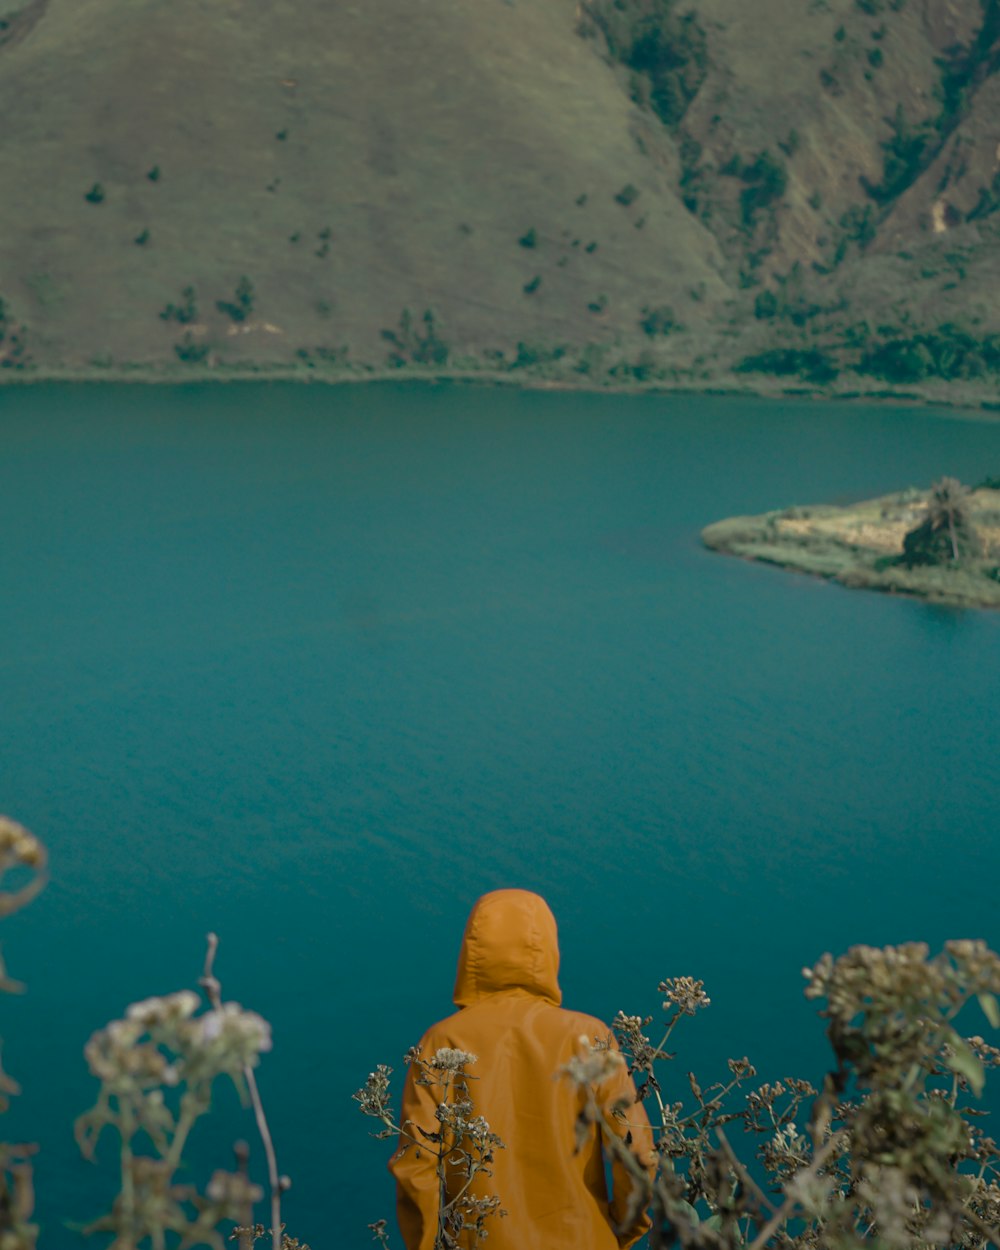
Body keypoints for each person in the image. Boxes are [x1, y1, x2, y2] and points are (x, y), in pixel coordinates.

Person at [390, 888, 654, 1250]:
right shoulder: (589, 1036)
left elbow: (416, 1167)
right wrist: (618, 1233)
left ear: (471, 953)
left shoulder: (442, 1041)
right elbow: (635, 1151)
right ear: (549, 952)